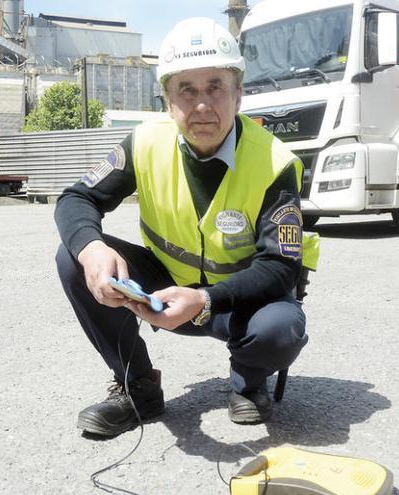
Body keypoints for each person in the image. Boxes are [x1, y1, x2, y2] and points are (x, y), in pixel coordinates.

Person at [54, 17, 319, 439]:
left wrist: (204, 298)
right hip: (162, 291)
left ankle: (248, 383)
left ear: (239, 94)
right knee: (73, 257)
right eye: (187, 89)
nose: (201, 105)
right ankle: (137, 387)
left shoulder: (275, 163)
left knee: (280, 329)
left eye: (215, 86)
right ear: (167, 99)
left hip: (237, 302)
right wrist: (91, 250)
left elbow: (281, 266)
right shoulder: (142, 143)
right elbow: (75, 198)